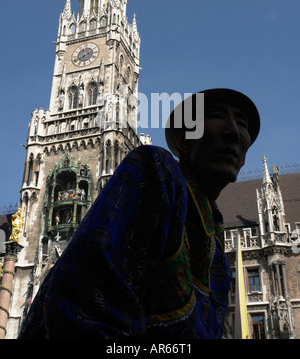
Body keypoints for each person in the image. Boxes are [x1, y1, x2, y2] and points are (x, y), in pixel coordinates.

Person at [18, 88, 260, 339]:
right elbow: (83, 301)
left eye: (242, 124)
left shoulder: (215, 232)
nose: (233, 132)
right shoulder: (156, 169)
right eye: (218, 116)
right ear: (183, 140)